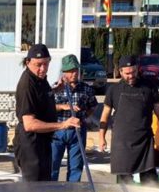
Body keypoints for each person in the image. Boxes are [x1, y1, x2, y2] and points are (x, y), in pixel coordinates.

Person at [98, 55, 159, 184]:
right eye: (127, 73)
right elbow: (105, 114)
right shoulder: (113, 90)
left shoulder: (149, 86)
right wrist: (101, 136)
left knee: (150, 180)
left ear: (137, 69)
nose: (131, 76)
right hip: (121, 142)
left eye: (133, 72)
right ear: (120, 72)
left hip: (144, 140)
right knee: (124, 182)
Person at [13, 44, 80, 181]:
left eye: (46, 64)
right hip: (30, 144)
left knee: (45, 184)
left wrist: (56, 90)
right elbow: (29, 124)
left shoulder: (41, 79)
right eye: (38, 65)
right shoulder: (27, 85)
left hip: (43, 141)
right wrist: (62, 125)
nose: (43, 69)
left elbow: (42, 99)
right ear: (28, 62)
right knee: (34, 189)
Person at [50, 54, 98, 182]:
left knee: (76, 166)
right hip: (58, 131)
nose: (74, 74)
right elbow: (48, 107)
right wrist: (64, 106)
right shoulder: (55, 88)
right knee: (52, 165)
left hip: (77, 132)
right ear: (63, 72)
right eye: (70, 71)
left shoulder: (86, 89)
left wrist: (83, 117)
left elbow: (93, 106)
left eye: (76, 70)